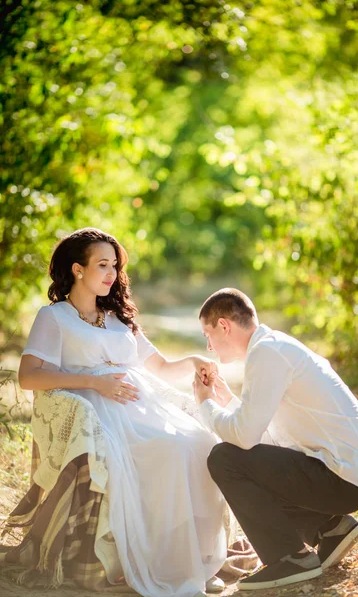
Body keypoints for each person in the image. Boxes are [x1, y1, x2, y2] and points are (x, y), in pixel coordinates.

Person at [15, 228, 227, 597]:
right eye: (102, 264)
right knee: (166, 450)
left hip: (138, 408)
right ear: (78, 269)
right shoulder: (54, 318)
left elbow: (159, 367)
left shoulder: (118, 317)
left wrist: (193, 360)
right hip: (95, 412)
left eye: (114, 265)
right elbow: (29, 376)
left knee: (199, 441)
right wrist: (95, 383)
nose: (111, 273)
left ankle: (192, 558)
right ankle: (150, 561)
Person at [193, 288, 358, 591]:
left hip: (342, 478)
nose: (208, 345)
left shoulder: (267, 353)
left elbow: (244, 439)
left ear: (224, 327)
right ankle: (331, 527)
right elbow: (263, 438)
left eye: (208, 334)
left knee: (224, 459)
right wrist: (223, 398)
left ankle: (290, 557)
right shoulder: (272, 347)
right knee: (244, 459)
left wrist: (205, 404)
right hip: (345, 475)